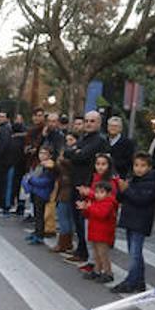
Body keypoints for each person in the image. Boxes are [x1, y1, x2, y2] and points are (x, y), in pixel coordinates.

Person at [62, 111, 108, 266]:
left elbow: (81, 156)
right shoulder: (83, 138)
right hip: (77, 182)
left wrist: (76, 152)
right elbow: (68, 152)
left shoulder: (99, 140)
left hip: (88, 184)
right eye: (87, 120)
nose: (88, 123)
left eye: (92, 121)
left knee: (84, 220)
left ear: (99, 123)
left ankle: (89, 255)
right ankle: (81, 250)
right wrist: (75, 151)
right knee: (77, 218)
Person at [112, 151, 155, 293]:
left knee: (135, 253)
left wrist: (126, 190)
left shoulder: (150, 183)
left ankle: (131, 281)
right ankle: (139, 281)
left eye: (143, 166)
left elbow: (141, 200)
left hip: (140, 221)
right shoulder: (133, 179)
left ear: (149, 167)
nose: (139, 168)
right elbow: (122, 198)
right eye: (136, 165)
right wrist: (121, 188)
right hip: (130, 219)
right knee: (134, 252)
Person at [75, 153, 118, 281]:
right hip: (94, 222)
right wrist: (85, 206)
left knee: (102, 251)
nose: (100, 167)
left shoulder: (111, 182)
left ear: (109, 165)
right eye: (98, 164)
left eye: (103, 164)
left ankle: (108, 272)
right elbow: (94, 202)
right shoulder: (95, 177)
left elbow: (103, 209)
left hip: (103, 226)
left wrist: (90, 196)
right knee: (95, 249)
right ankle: (97, 270)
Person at [21, 145, 56, 244]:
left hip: (42, 193)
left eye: (45, 153)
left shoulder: (49, 167)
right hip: (35, 191)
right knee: (36, 214)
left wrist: (31, 180)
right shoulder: (40, 165)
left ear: (50, 155)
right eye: (41, 153)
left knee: (40, 215)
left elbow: (45, 182)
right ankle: (36, 232)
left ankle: (39, 235)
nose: (42, 155)